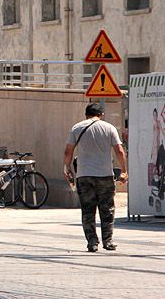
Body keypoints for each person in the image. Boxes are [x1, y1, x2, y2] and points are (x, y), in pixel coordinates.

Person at [63, 103, 128, 252]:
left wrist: (67, 169)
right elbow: (119, 150)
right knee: (107, 209)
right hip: (105, 174)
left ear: (86, 115)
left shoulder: (77, 128)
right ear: (101, 114)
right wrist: (124, 170)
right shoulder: (109, 128)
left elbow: (68, 151)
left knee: (87, 210)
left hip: (84, 175)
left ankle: (92, 242)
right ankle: (108, 241)